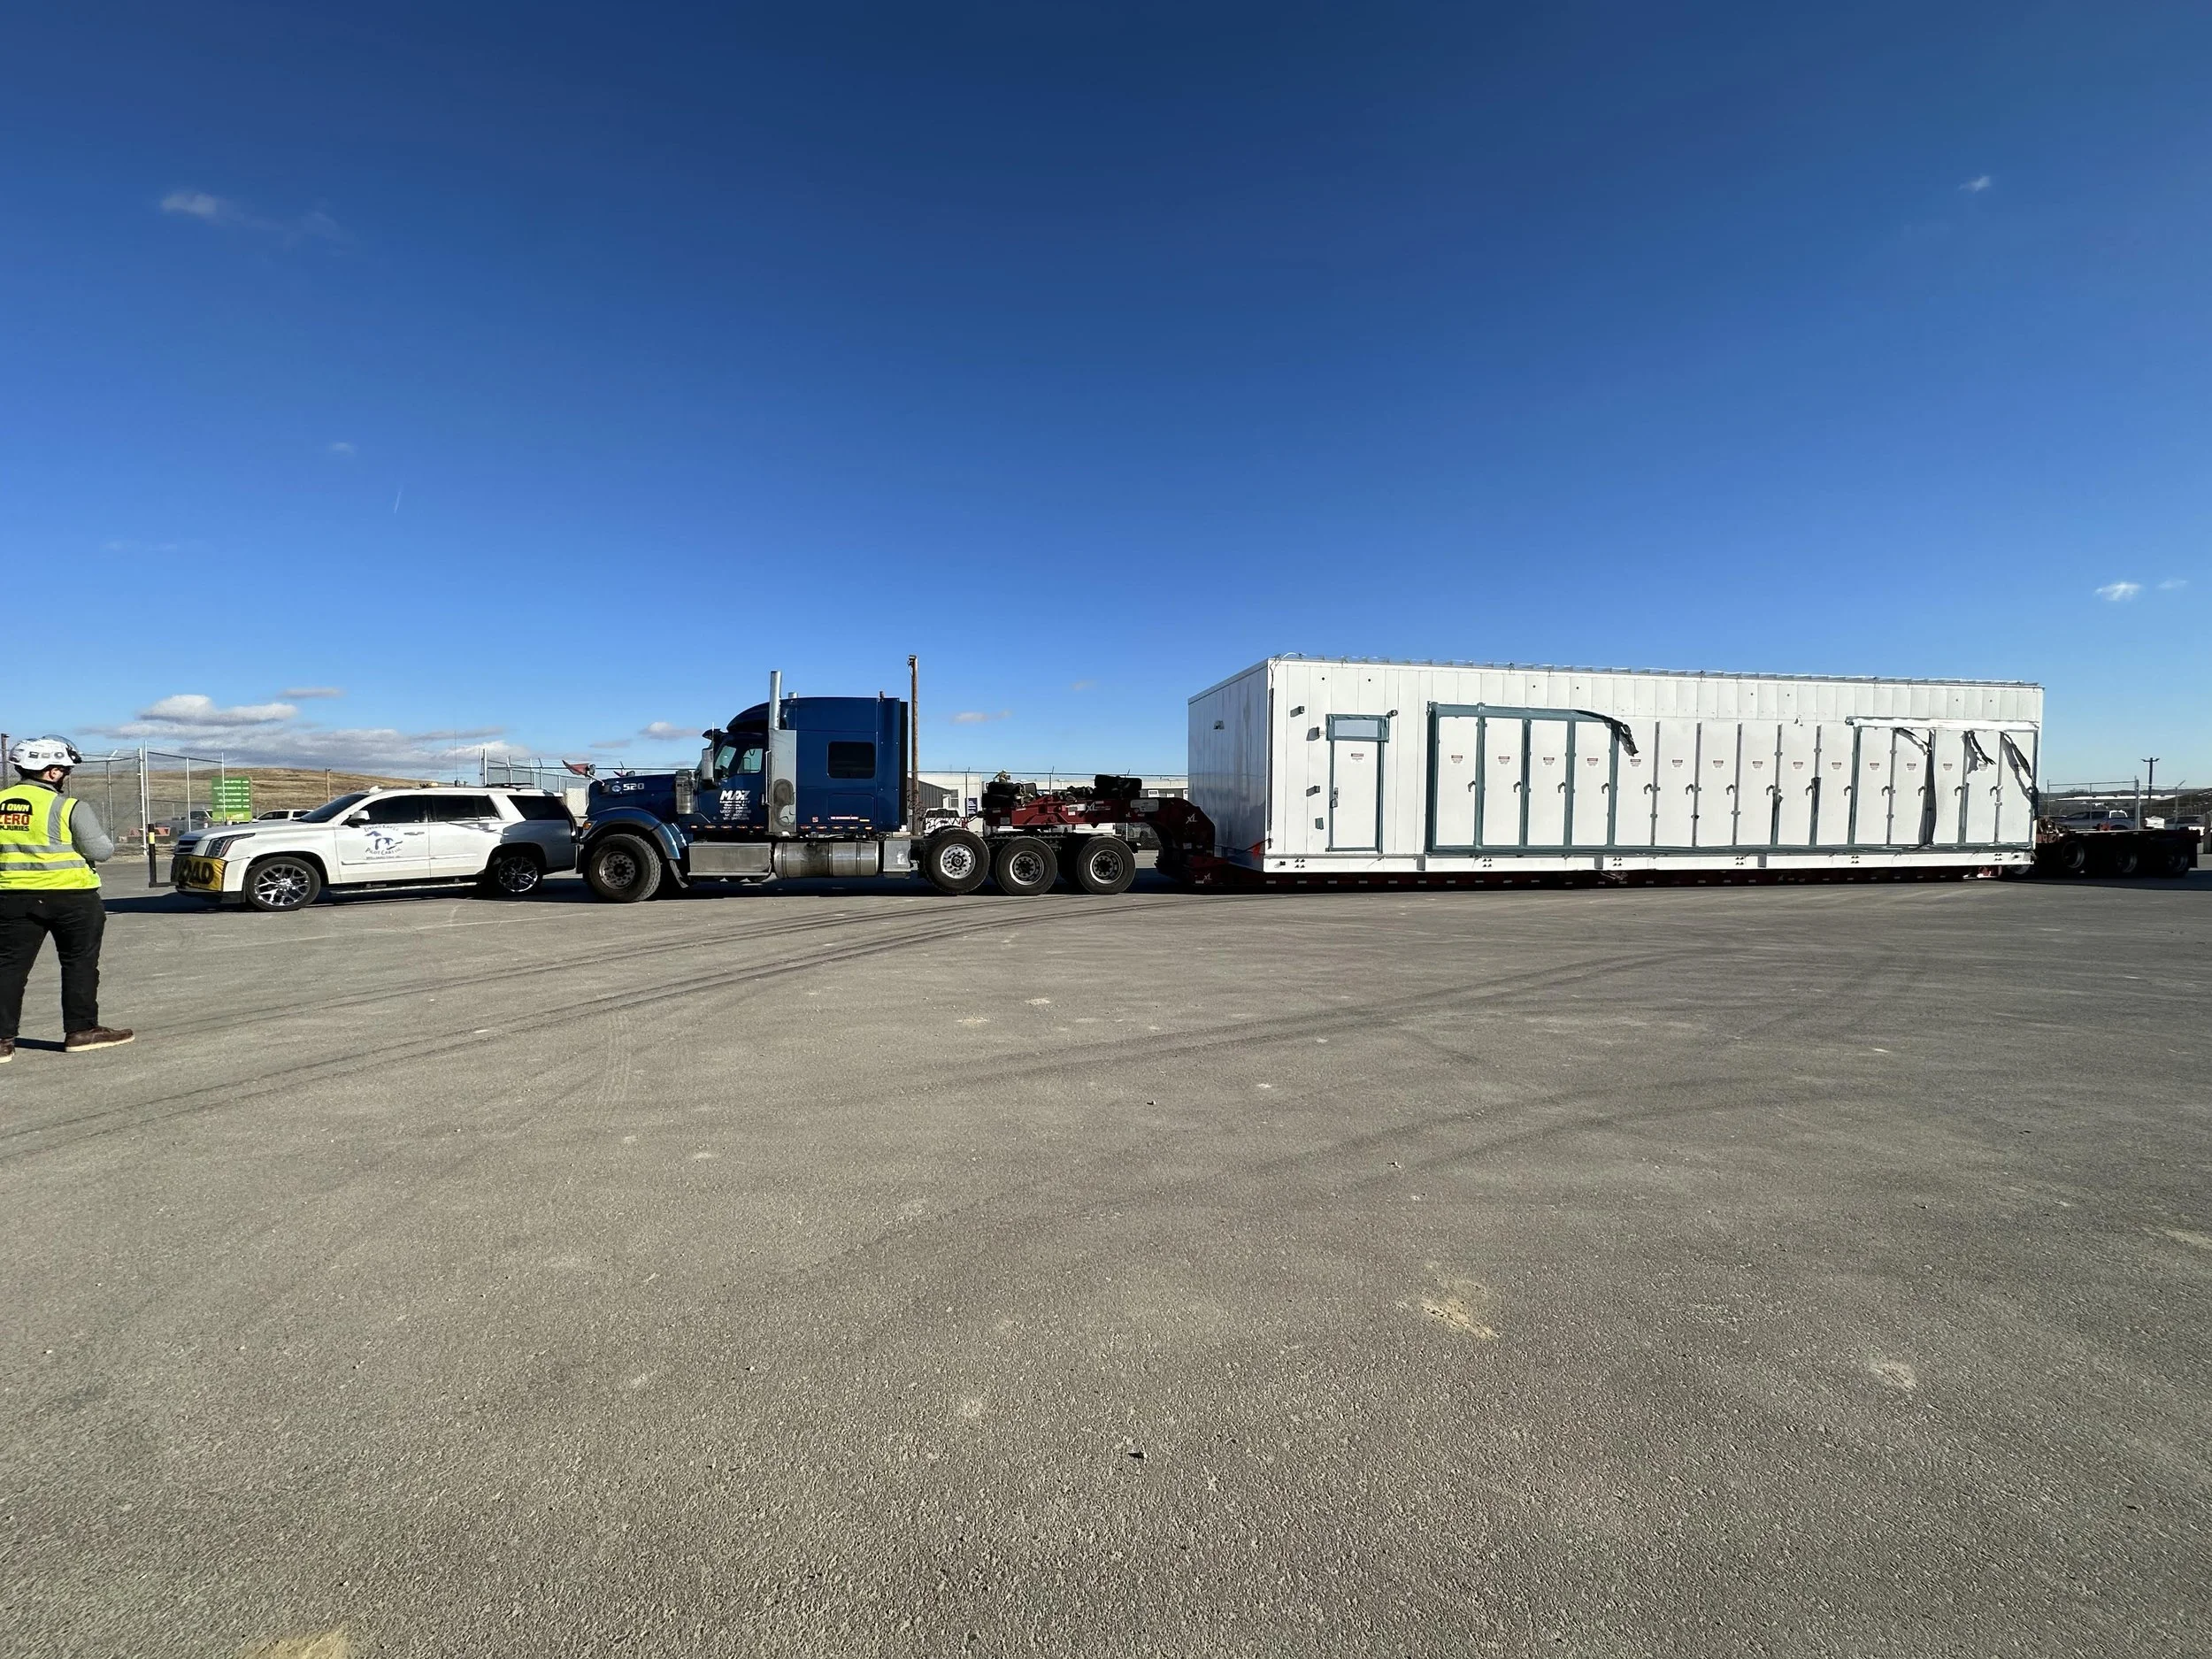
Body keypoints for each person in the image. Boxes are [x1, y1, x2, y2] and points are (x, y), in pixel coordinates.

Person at [0, 737, 133, 1061]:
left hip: (11, 897)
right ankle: (81, 1031)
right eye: (64, 769)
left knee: (8, 967)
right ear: (52, 772)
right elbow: (101, 851)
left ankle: (2, 1041)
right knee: (79, 964)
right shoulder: (69, 807)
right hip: (72, 897)